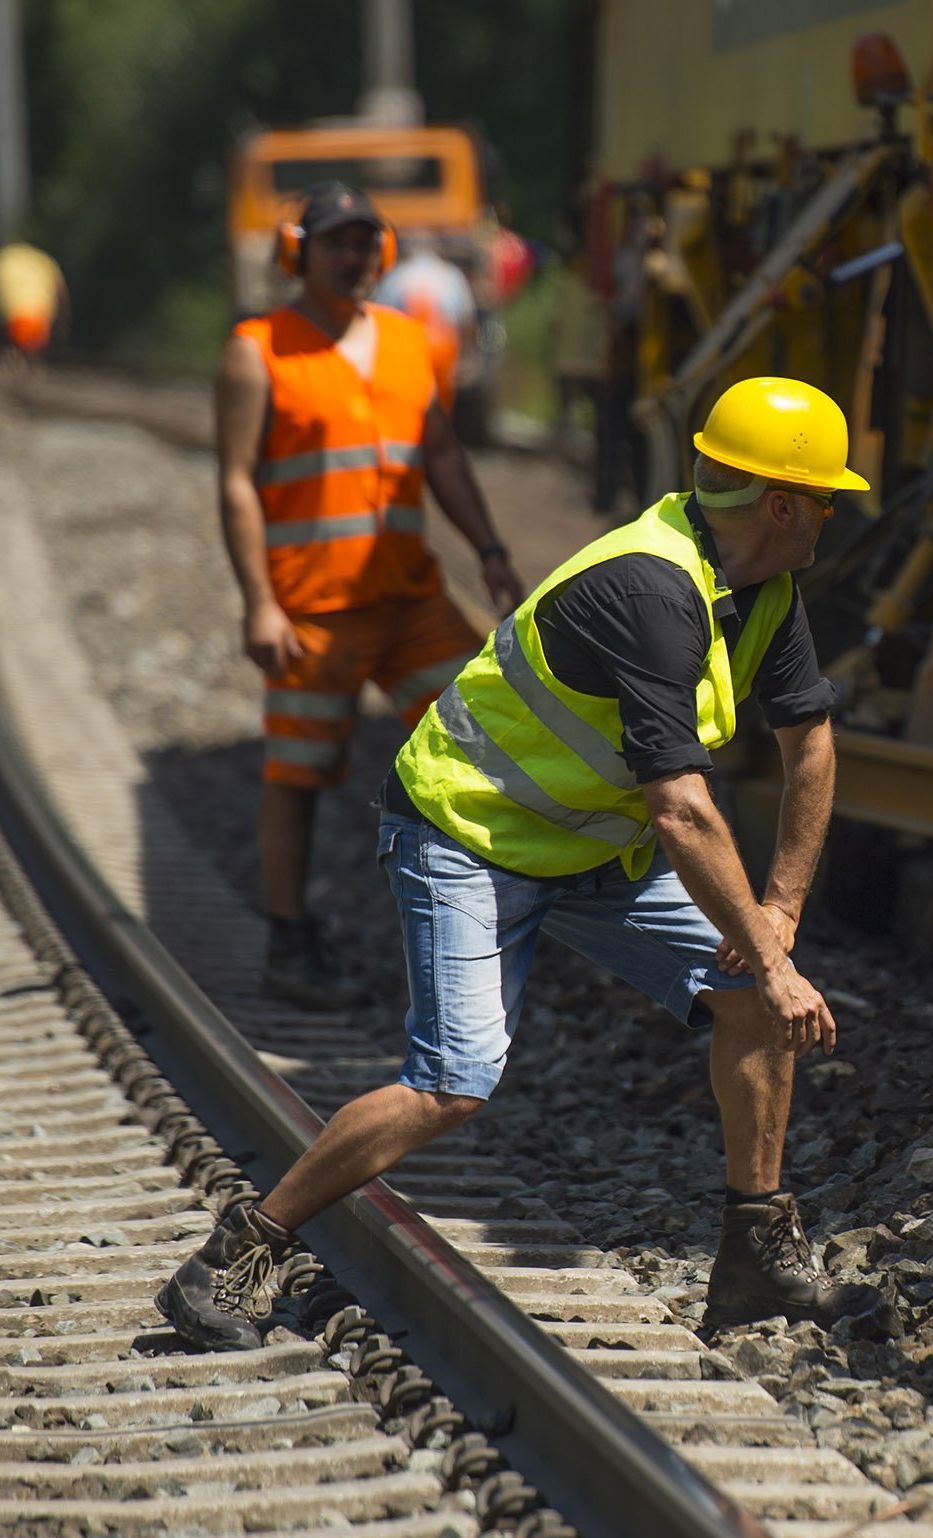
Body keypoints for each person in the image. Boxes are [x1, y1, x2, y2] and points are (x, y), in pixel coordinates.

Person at [159, 375, 863, 1353]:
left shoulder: (762, 590)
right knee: (454, 1081)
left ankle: (754, 1256)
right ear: (781, 504)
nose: (836, 516)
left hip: (588, 847)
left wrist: (778, 914)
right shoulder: (650, 591)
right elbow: (683, 809)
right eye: (829, 497)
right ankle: (242, 1250)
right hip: (466, 838)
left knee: (748, 995)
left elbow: (812, 744)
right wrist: (776, 959)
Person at [215, 183, 525, 1008]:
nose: (354, 258)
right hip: (312, 610)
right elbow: (237, 484)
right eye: (337, 244)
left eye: (365, 244)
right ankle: (290, 941)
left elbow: (444, 456)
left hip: (411, 602)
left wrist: (488, 549)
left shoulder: (402, 340)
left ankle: (491, 915)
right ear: (299, 253)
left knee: (484, 735)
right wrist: (259, 603)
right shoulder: (258, 348)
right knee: (300, 775)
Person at [375, 236, 477, 411]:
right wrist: (467, 356)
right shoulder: (450, 274)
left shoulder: (397, 275)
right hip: (443, 352)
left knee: (409, 402)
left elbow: (379, 317)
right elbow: (466, 320)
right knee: (440, 407)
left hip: (408, 350)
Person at [0, 241, 67, 367]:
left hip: (16, 319)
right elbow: (61, 294)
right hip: (41, 318)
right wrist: (62, 323)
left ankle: (18, 365)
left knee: (18, 352)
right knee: (32, 353)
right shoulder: (44, 260)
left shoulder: (5, 259)